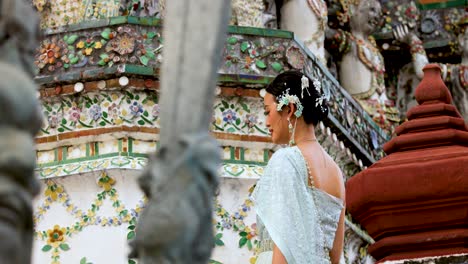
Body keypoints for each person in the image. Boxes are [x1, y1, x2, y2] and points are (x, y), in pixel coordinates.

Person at [252, 71, 345, 263]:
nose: (267, 122)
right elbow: (336, 256)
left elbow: (283, 247)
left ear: (289, 109)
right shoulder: (336, 172)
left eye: (267, 111)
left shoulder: (286, 160)